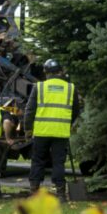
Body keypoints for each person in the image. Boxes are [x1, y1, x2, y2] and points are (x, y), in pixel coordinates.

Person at [25, 59, 80, 199]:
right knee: (58, 163)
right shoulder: (70, 88)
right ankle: (61, 194)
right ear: (61, 72)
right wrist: (67, 124)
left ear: (46, 72)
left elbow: (30, 110)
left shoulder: (39, 87)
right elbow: (75, 111)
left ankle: (34, 191)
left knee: (38, 161)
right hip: (61, 132)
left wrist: (28, 129)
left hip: (42, 131)